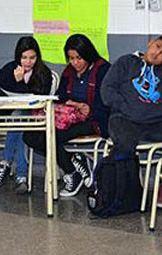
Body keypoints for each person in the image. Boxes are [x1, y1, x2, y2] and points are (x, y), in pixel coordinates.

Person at [23, 34, 110, 197]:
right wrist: (69, 105)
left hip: (95, 119)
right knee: (30, 136)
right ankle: (74, 164)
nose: (75, 63)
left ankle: (73, 171)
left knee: (52, 136)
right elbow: (60, 96)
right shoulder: (69, 72)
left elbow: (108, 102)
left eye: (79, 58)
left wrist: (89, 109)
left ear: (88, 55)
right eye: (71, 58)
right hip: (69, 119)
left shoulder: (102, 70)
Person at [100, 32, 162, 159]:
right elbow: (107, 89)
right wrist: (125, 107)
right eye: (157, 46)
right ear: (150, 43)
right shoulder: (126, 62)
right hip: (124, 119)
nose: (157, 53)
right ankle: (124, 178)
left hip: (155, 123)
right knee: (124, 145)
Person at [0, 36, 53, 194]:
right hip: (8, 115)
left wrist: (20, 83)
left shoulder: (44, 73)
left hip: (34, 117)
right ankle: (21, 177)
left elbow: (41, 99)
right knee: (20, 120)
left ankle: (5, 163)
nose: (28, 62)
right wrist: (15, 80)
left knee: (21, 117)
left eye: (32, 57)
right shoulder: (7, 70)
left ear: (37, 57)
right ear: (18, 57)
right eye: (24, 57)